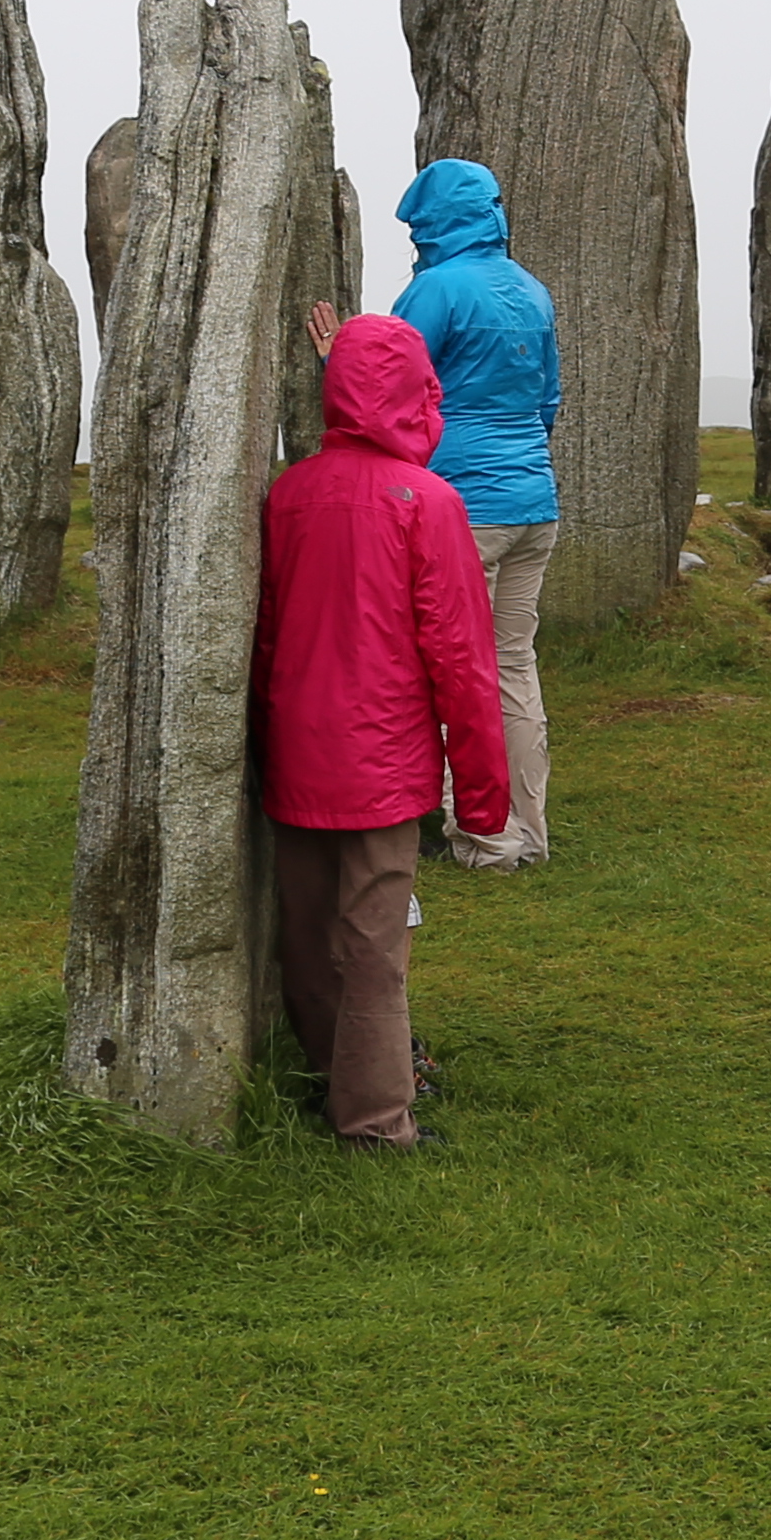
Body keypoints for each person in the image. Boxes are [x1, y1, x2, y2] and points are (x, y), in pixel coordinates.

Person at [256, 313, 513, 1149]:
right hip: (381, 758)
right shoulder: (427, 503)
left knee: (304, 928)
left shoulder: (288, 495)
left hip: (296, 747)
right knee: (374, 943)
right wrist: (480, 796)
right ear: (419, 396)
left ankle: (324, 1074)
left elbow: (261, 634)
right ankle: (374, 1122)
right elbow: (463, 659)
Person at [383, 156, 562, 866]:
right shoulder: (531, 290)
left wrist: (338, 359)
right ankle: (528, 832)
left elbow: (388, 390)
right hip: (532, 501)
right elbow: (547, 403)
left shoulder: (436, 290)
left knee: (462, 671)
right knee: (513, 664)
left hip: (461, 508)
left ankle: (485, 837)